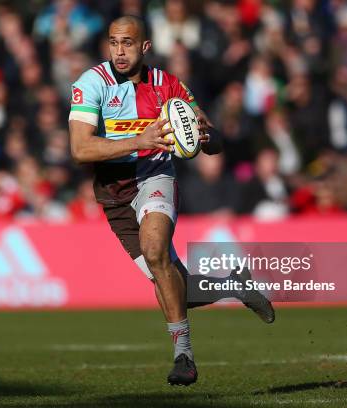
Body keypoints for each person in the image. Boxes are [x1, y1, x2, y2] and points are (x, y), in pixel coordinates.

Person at [68, 16, 274, 386]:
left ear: (145, 46)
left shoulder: (169, 86)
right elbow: (80, 148)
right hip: (113, 196)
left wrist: (203, 137)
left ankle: (184, 357)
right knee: (175, 286)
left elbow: (212, 140)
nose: (119, 50)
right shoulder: (91, 83)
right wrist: (139, 140)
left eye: (128, 43)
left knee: (154, 249)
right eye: (114, 42)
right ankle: (233, 286)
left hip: (155, 178)